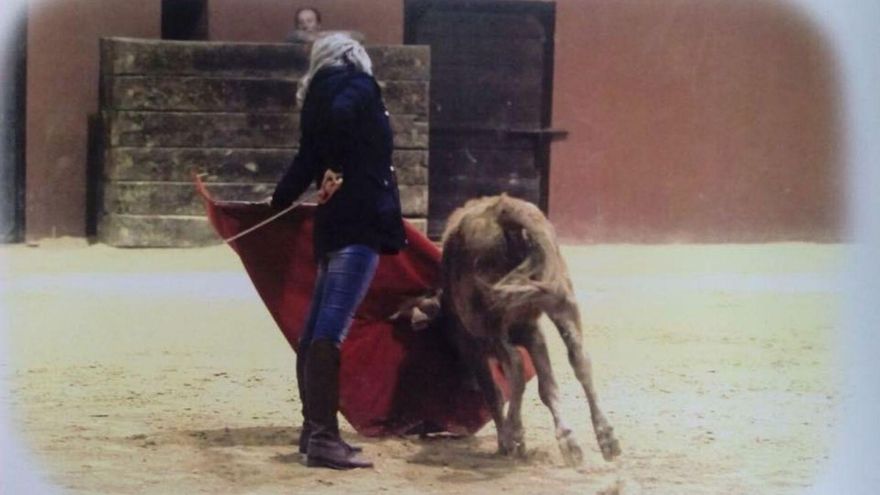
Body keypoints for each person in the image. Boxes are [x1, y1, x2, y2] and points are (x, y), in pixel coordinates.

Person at [271, 33, 407, 470]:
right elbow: (341, 118)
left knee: (315, 329)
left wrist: (279, 200)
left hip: (331, 224)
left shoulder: (315, 93)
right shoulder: (358, 86)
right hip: (360, 219)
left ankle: (312, 431)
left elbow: (306, 159)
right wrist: (345, 167)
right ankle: (324, 439)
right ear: (353, 56)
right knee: (329, 331)